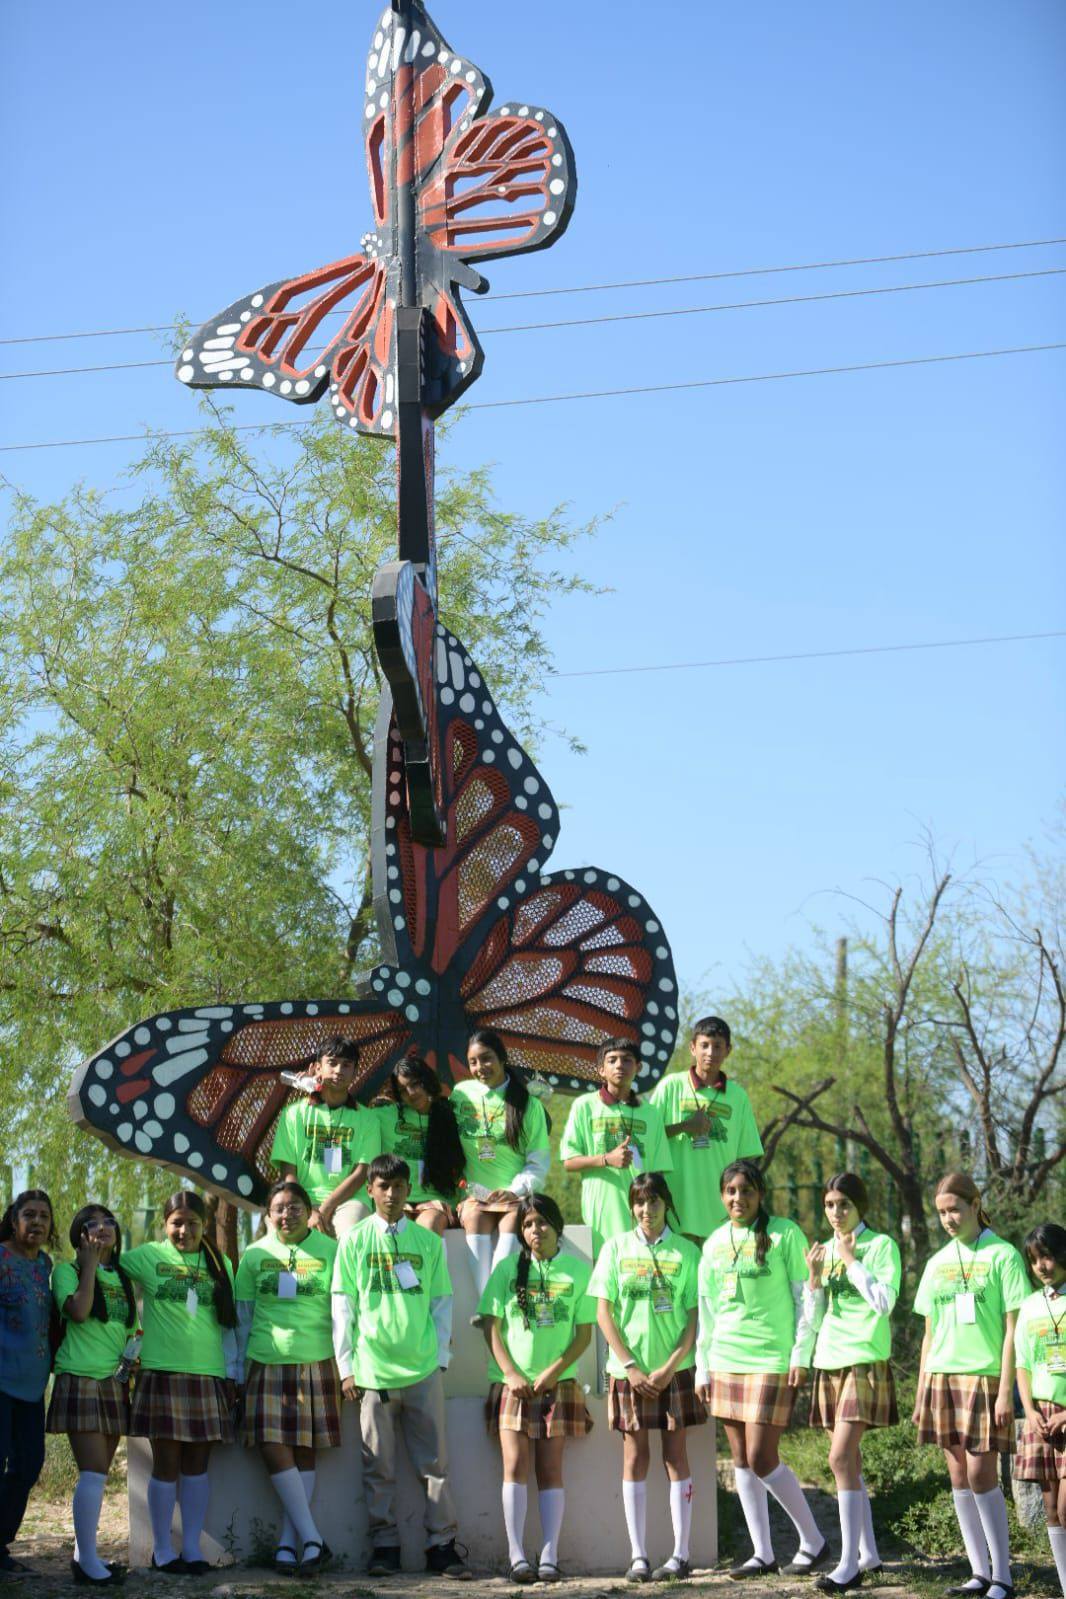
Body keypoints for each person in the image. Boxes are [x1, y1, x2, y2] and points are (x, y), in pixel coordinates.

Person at [331, 1154, 468, 1579]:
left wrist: (441, 1358)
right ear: (370, 1190)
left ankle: (441, 1547)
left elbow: (442, 1302)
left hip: (424, 1369)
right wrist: (346, 1368)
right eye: (383, 1187)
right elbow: (343, 1306)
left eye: (398, 1187)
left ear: (409, 1191)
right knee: (379, 1467)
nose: (391, 1194)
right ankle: (385, 1547)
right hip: (372, 1375)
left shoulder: (429, 1243)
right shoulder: (354, 1241)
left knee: (436, 1466)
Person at [696, 1158, 826, 1579]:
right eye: (731, 1191)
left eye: (746, 1190)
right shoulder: (714, 1243)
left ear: (760, 1195)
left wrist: (799, 1355)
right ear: (722, 1196)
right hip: (726, 1359)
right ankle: (762, 1552)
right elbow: (707, 1310)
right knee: (738, 1458)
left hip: (771, 1358)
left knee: (761, 1454)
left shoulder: (784, 1233)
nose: (739, 1198)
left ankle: (814, 1541)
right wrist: (703, 1367)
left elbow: (806, 1297)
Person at [912, 1172, 1029, 1599]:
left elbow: (1013, 1329)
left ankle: (1004, 1576)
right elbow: (929, 1331)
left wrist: (1004, 1390)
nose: (948, 1218)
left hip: (984, 1378)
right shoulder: (937, 1261)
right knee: (959, 1475)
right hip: (942, 1377)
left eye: (955, 1209)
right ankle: (978, 1573)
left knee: (982, 1474)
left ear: (975, 1203)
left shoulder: (1004, 1255)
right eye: (941, 1212)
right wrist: (923, 1387)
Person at [590, 1171, 704, 1582]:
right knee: (635, 1458)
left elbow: (694, 1317)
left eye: (653, 1202)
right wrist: (630, 1367)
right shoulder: (615, 1249)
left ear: (665, 1204)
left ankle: (681, 1555)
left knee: (676, 1457)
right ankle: (638, 1556)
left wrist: (670, 1365)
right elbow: (603, 1312)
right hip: (629, 1374)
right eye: (639, 1202)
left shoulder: (688, 1253)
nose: (646, 1210)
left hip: (675, 1372)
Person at [478, 1194, 595, 1582]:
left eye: (542, 1222)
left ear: (556, 1225)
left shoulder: (577, 1272)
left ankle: (549, 1555)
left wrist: (554, 1372)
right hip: (512, 1385)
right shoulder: (507, 1269)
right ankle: (517, 1558)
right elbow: (490, 1327)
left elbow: (583, 1336)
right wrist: (510, 1372)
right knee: (515, 1465)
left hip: (556, 1385)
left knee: (550, 1468)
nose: (535, 1231)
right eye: (528, 1224)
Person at [123, 1191, 240, 1573]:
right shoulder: (148, 1256)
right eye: (176, 1222)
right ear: (164, 1224)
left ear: (204, 1225)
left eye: (192, 1223)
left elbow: (227, 1327)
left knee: (197, 1465)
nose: (184, 1230)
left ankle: (191, 1548)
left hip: (208, 1375)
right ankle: (162, 1551)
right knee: (166, 1464)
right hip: (162, 1373)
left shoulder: (220, 1263)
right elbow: (112, 1274)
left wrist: (232, 1373)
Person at [235, 1179, 340, 1574]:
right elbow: (243, 1318)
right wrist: (237, 1371)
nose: (286, 1214)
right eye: (278, 1207)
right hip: (266, 1360)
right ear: (267, 1214)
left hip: (317, 1359)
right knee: (271, 1443)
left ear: (308, 1211)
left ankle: (289, 1544)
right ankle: (312, 1536)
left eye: (294, 1207)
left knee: (304, 1449)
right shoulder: (254, 1254)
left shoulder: (331, 1250)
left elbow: (344, 1313)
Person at [804, 1173, 900, 1592]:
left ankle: (847, 1565)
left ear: (860, 1206)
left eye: (843, 1204)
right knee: (850, 1463)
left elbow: (883, 1303)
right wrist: (812, 1279)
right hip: (829, 1359)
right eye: (829, 1204)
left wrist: (851, 1260)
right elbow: (815, 1315)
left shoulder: (880, 1245)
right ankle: (870, 1555)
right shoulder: (823, 1250)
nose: (836, 1212)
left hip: (864, 1359)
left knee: (840, 1459)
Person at [48, 1205, 137, 1585]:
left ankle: (84, 1557)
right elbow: (80, 1312)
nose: (102, 1230)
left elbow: (128, 1329)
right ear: (79, 1235)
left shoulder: (122, 1275)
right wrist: (87, 1265)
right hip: (80, 1377)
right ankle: (87, 1562)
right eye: (92, 1225)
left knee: (97, 1472)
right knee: (94, 1472)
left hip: (112, 1382)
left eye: (108, 1223)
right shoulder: (66, 1271)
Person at [452, 1029, 551, 1294]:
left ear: (502, 1058)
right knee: (474, 1216)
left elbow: (538, 1162)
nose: (480, 1067)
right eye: (473, 1062)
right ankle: (489, 1305)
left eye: (486, 1059)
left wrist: (514, 1191)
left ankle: (490, 1303)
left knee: (513, 1219)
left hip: (514, 1196)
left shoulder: (528, 1105)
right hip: (474, 1195)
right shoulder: (460, 1094)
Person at [650, 1017, 763, 1245]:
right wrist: (685, 1127)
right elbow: (647, 1139)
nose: (710, 1052)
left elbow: (746, 1157)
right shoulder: (671, 1086)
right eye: (704, 1045)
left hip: (722, 1211)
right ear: (693, 1048)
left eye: (718, 1046)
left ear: (728, 1050)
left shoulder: (737, 1096)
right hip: (677, 1206)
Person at [560, 1038, 672, 1256]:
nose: (619, 1065)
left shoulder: (651, 1113)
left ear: (638, 1067)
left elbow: (658, 1171)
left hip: (643, 1212)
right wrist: (605, 1159)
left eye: (627, 1060)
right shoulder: (584, 1106)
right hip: (601, 1211)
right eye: (612, 1060)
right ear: (601, 1069)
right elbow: (569, 1162)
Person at [271, 1035, 382, 1239]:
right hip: (299, 1198)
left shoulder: (369, 1119)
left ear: (355, 1071)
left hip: (349, 1201)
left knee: (350, 1235)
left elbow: (361, 1174)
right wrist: (307, 1208)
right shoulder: (293, 1114)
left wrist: (324, 1209)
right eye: (332, 1063)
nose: (339, 1070)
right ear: (317, 1068)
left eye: (347, 1065)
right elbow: (288, 1173)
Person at [0, 1190, 57, 1575]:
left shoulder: (45, 1265)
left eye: (44, 1216)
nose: (37, 1222)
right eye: (29, 1214)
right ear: (13, 1218)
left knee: (29, 1463)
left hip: (32, 1385)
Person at [1013, 1222, 1066, 1597]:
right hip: (1041, 1417)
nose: (1041, 1266)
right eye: (1034, 1260)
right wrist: (1029, 1410)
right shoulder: (1030, 1306)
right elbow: (1022, 1365)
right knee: (1051, 1511)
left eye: (1046, 1256)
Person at [373, 1053, 465, 1234]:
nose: (411, 1093)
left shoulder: (450, 1114)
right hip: (396, 1198)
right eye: (402, 1090)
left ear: (427, 1080)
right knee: (397, 1231)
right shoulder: (384, 1115)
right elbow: (350, 1113)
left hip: (436, 1199)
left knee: (427, 1229)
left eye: (414, 1084)